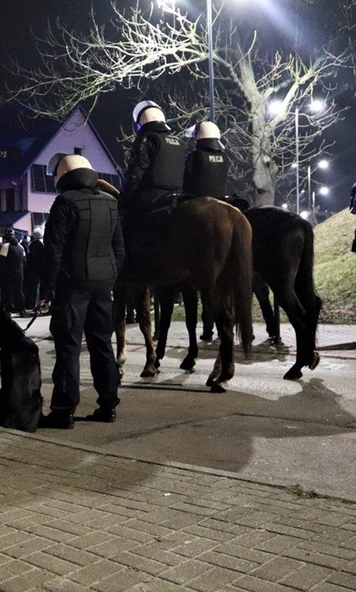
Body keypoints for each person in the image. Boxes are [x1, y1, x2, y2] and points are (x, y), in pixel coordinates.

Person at [39, 154, 125, 428]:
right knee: (102, 346)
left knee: (68, 347)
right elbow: (119, 249)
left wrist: (47, 288)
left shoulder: (64, 202)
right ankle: (108, 405)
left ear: (64, 175)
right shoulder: (111, 203)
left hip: (72, 286)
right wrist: (110, 281)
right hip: (102, 286)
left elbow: (54, 250)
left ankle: (64, 410)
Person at [120, 101, 186, 241]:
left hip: (150, 199)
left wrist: (124, 198)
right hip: (177, 198)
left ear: (140, 123)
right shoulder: (180, 142)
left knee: (123, 230)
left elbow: (135, 173)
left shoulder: (146, 140)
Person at [182, 121, 229, 199]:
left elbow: (186, 176)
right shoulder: (224, 156)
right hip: (221, 198)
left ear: (199, 136)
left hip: (196, 198)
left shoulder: (196, 155)